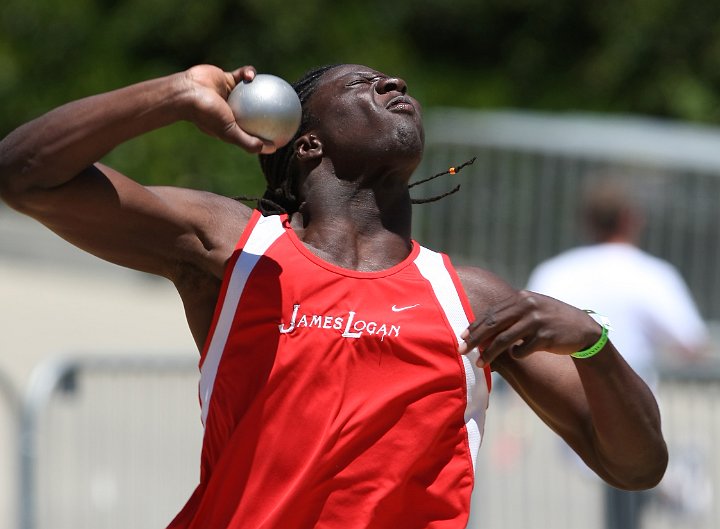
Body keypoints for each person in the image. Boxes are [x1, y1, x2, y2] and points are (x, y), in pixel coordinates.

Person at [0, 63, 667, 529]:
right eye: (363, 84)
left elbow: (634, 465)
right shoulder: (237, 249)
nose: (396, 84)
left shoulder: (470, 296)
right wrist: (172, 95)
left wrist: (592, 341)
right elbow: (24, 176)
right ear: (307, 140)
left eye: (394, 82)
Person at [527, 179, 708, 529]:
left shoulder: (554, 271)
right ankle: (674, 484)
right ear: (631, 218)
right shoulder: (652, 274)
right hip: (630, 412)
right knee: (633, 484)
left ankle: (671, 485)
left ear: (588, 221)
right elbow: (691, 343)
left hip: (564, 410)